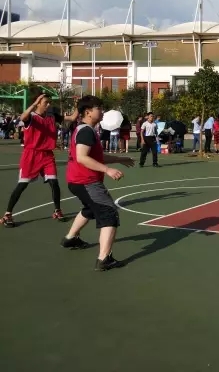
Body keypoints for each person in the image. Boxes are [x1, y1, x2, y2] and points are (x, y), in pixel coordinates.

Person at [60, 95, 135, 270]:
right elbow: (82, 157)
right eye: (99, 108)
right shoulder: (86, 131)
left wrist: (119, 159)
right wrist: (107, 170)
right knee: (109, 213)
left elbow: (96, 156)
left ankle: (70, 238)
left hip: (77, 180)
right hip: (86, 181)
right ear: (88, 112)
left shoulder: (86, 130)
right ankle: (104, 259)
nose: (102, 111)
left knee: (90, 209)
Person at [1, 94, 78, 228]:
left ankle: (57, 210)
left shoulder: (51, 116)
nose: (48, 105)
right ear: (38, 103)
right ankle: (8, 214)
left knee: (54, 183)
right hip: (31, 155)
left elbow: (72, 118)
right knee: (22, 185)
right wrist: (34, 103)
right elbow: (22, 117)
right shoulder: (31, 117)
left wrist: (78, 105)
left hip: (47, 155)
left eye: (49, 102)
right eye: (45, 102)